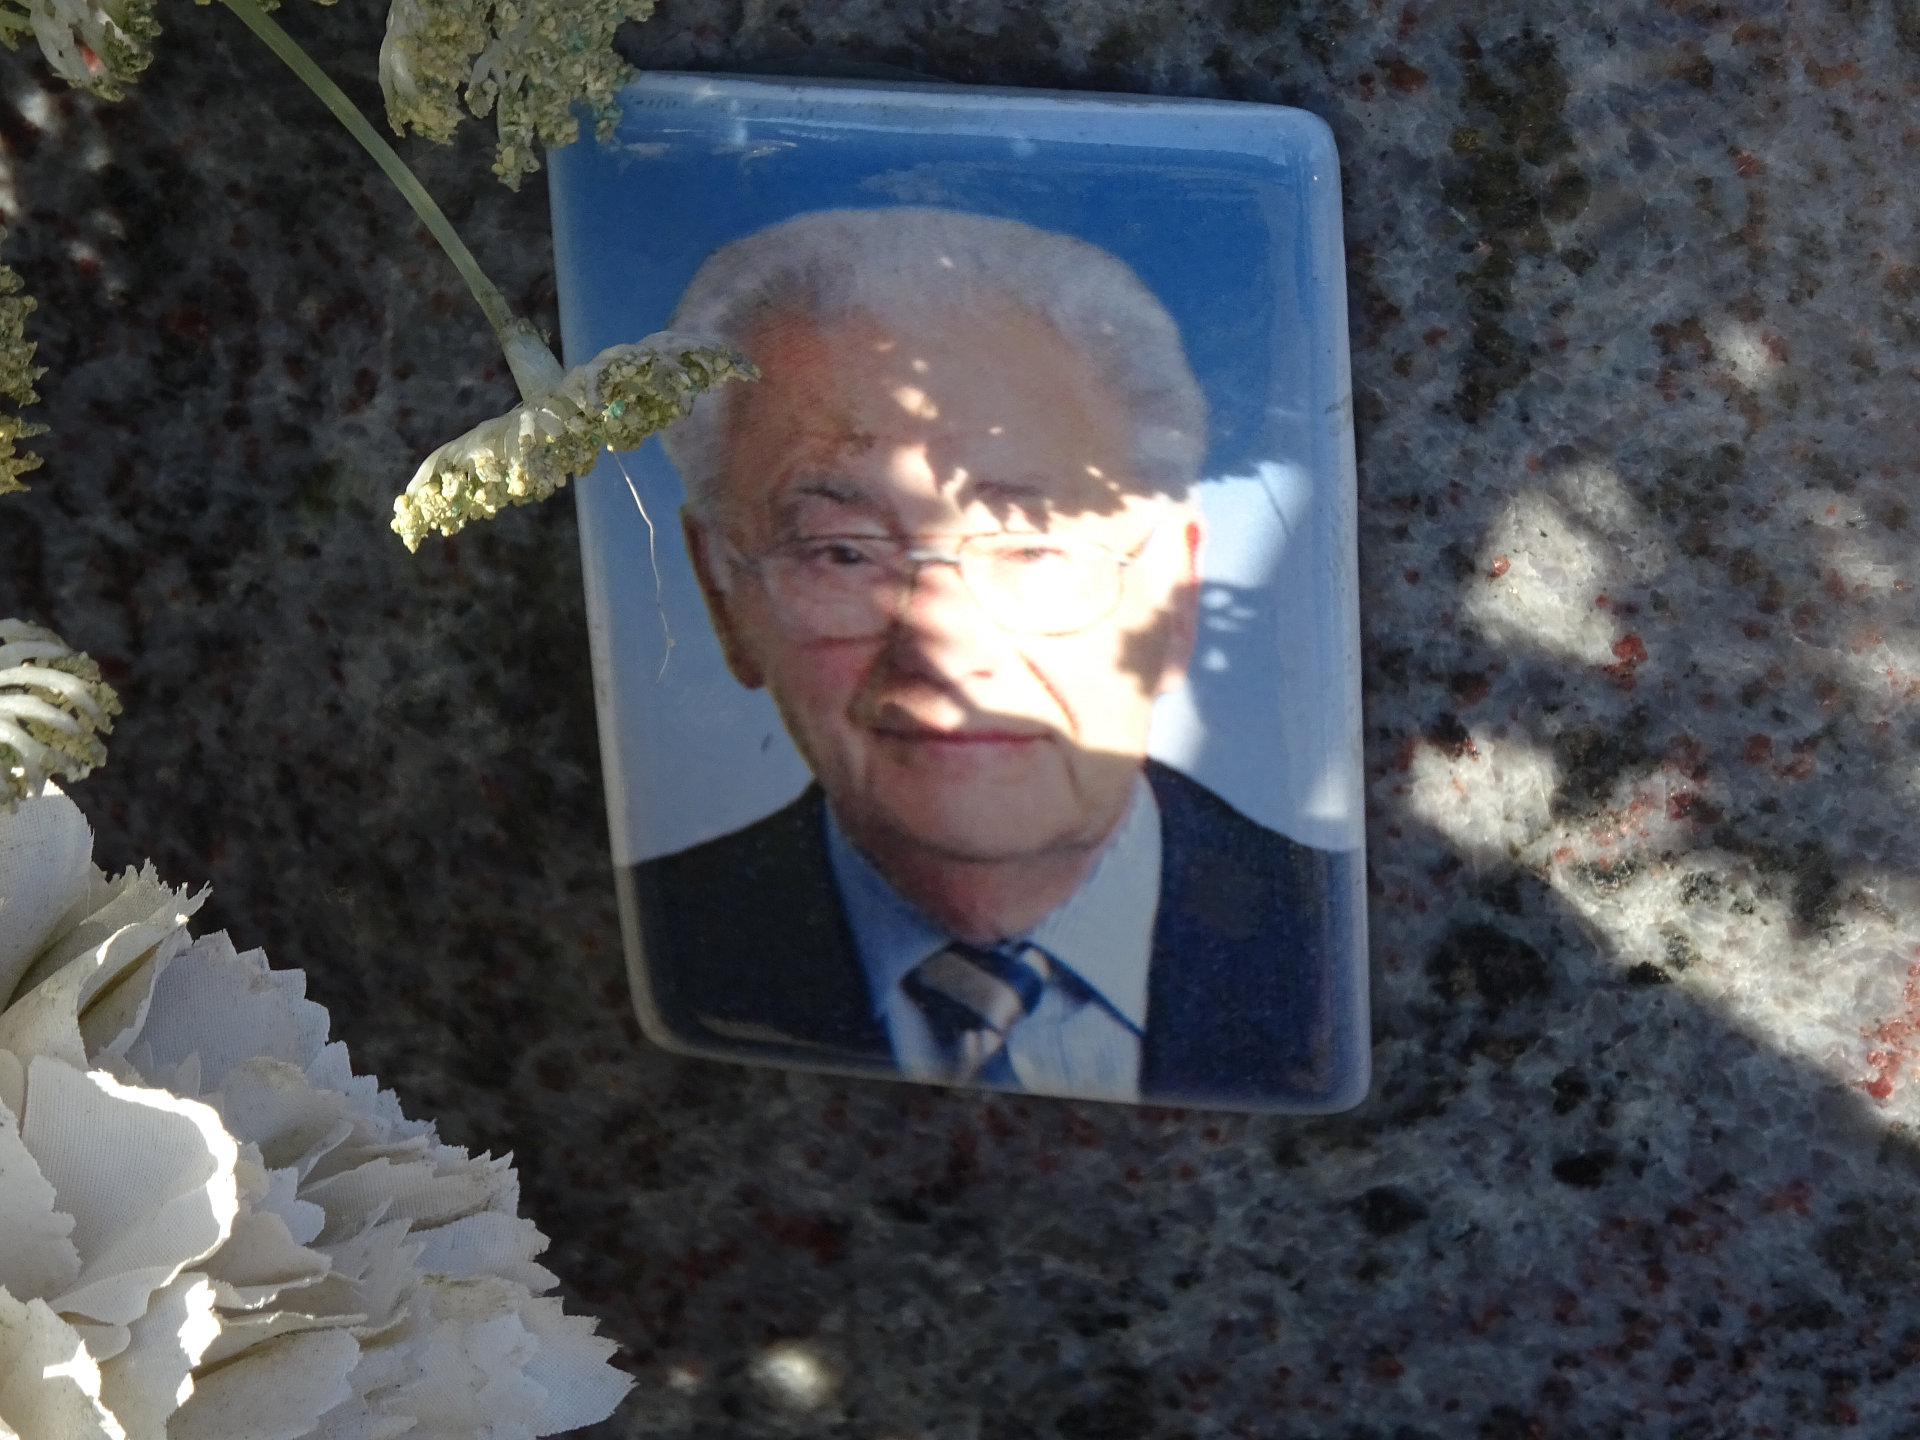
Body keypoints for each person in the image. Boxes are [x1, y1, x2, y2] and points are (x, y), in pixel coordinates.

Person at [624, 207, 1347, 1108]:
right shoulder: (632, 950)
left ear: (1175, 592)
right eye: (842, 551)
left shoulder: (1352, 942)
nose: (944, 643)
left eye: (1032, 546)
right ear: (720, 593)